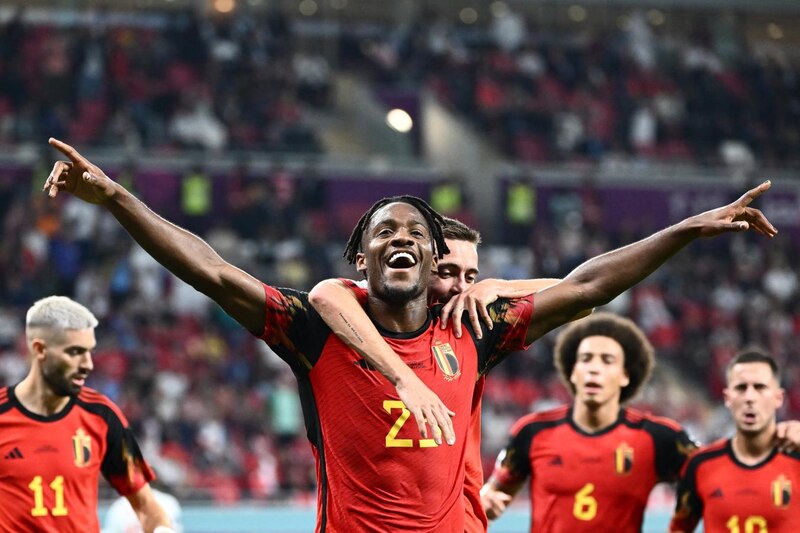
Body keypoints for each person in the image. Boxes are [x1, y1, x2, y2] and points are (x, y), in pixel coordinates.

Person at [43, 137, 777, 531]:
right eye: (383, 230)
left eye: (416, 232)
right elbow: (210, 269)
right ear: (362, 259)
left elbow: (588, 284)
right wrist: (113, 195)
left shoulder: (476, 329)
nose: (402, 237)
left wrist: (688, 226)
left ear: (435, 262)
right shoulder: (314, 329)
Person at [309, 216, 568, 532]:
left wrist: (499, 286)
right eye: (447, 273)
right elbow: (327, 294)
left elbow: (579, 297)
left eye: (471, 276)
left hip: (460, 519)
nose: (460, 287)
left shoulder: (470, 326)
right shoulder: (364, 312)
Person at [480, 313, 695, 532]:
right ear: (573, 372)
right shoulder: (532, 432)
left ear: (625, 376)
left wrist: (681, 525)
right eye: (586, 359)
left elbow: (711, 477)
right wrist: (488, 500)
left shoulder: (658, 438)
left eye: (607, 360)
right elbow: (495, 492)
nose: (594, 368)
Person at [0, 296, 174, 533]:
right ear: (40, 350)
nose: (88, 364)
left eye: (90, 352)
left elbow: (146, 506)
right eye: (75, 352)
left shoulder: (102, 416)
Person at [669, 350, 800, 533]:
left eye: (760, 387)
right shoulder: (700, 465)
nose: (749, 398)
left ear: (778, 398)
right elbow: (679, 529)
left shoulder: (797, 458)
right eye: (741, 388)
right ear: (727, 398)